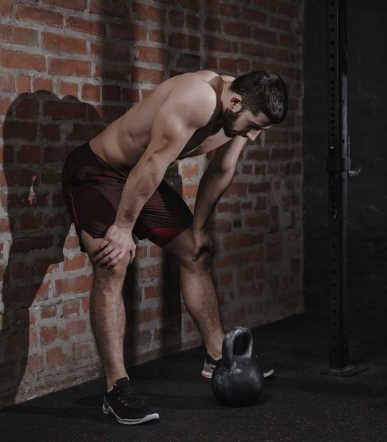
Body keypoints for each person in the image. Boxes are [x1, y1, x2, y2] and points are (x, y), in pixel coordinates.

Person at [61, 70, 288, 425]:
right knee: (113, 262)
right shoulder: (196, 99)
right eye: (252, 126)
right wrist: (122, 227)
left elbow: (221, 170)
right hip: (100, 172)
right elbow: (153, 163)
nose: (253, 136)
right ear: (235, 102)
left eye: (260, 130)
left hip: (140, 175)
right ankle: (115, 388)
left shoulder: (242, 112)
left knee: (196, 252)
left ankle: (218, 357)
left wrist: (197, 228)